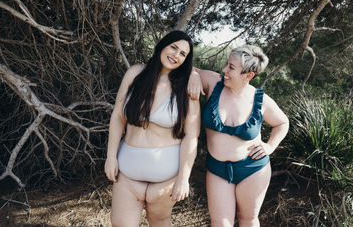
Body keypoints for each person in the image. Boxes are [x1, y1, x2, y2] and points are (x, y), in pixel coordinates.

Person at [104, 30, 200, 227]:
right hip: (127, 172)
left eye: (183, 54)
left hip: (165, 179)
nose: (176, 55)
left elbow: (191, 136)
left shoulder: (186, 87)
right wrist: (110, 156)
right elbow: (117, 116)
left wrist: (184, 177)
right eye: (174, 47)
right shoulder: (135, 73)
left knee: (159, 223)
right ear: (162, 45)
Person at [188, 45, 289, 227]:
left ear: (248, 75)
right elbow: (185, 68)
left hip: (253, 169)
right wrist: (194, 76)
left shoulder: (261, 100)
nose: (225, 70)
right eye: (227, 64)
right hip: (218, 170)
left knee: (248, 220)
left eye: (231, 68)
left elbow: (282, 123)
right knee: (220, 223)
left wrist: (270, 146)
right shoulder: (213, 82)